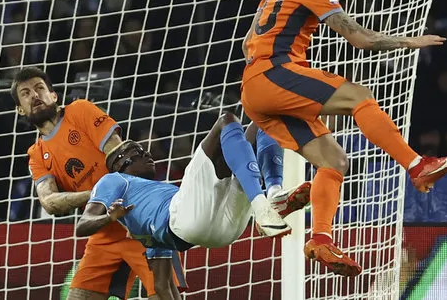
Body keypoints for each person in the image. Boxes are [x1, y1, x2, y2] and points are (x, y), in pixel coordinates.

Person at [240, 0, 447, 277]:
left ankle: (320, 238)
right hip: (274, 73)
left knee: (334, 160)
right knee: (359, 97)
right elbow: (358, 38)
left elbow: (246, 43)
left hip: (254, 88)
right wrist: (409, 42)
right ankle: (416, 166)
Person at [75, 113, 312, 300]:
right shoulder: (114, 181)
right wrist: (108, 217)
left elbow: (162, 287)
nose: (148, 153)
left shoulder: (148, 211)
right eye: (138, 152)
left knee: (265, 120)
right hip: (186, 220)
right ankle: (266, 198)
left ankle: (272, 195)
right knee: (227, 121)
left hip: (217, 233)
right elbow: (83, 225)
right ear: (121, 164)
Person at [11, 66, 186, 300]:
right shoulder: (36, 154)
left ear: (53, 95)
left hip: (140, 221)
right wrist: (98, 194)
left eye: (39, 88)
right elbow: (49, 202)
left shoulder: (80, 111)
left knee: (164, 295)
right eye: (25, 93)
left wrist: (106, 192)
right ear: (20, 110)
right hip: (104, 230)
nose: (34, 95)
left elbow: (119, 154)